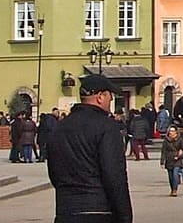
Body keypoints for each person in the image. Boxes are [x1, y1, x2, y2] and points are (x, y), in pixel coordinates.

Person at [48, 75, 133, 223]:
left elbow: (54, 172)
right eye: (110, 96)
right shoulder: (106, 126)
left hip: (66, 210)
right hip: (98, 209)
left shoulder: (60, 127)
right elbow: (114, 175)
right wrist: (124, 216)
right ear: (100, 97)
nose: (111, 101)